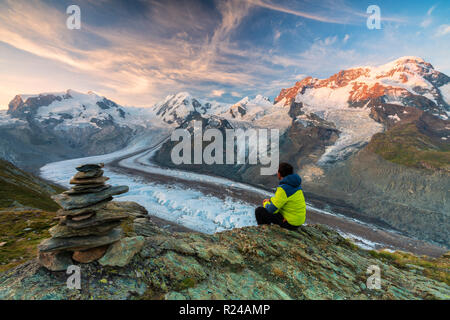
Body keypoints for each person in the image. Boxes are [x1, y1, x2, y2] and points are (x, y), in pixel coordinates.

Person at [255, 162, 306, 230]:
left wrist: (266, 203)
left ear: (279, 173)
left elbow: (271, 210)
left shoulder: (283, 189)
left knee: (259, 211)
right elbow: (284, 200)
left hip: (290, 223)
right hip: (297, 221)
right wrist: (270, 200)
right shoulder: (295, 185)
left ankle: (264, 231)